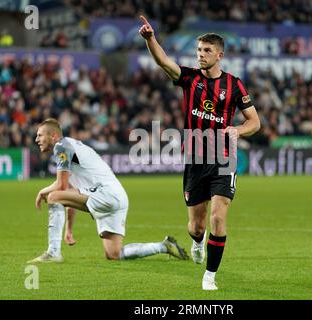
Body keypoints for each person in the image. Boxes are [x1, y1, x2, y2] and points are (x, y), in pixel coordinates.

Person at [139, 16, 261, 290]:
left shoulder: (234, 85)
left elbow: (255, 122)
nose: (200, 55)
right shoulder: (190, 79)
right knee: (196, 225)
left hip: (223, 158)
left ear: (220, 55)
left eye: (206, 51)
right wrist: (150, 39)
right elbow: (163, 62)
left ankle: (210, 276)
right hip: (194, 158)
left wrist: (237, 131)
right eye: (198, 50)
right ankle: (197, 242)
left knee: (218, 216)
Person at [27, 118, 188, 263]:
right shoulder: (71, 146)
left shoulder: (62, 147)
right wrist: (69, 229)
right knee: (114, 254)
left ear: (54, 136)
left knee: (53, 196)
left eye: (40, 135)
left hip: (104, 194)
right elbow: (70, 192)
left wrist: (42, 191)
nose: (37, 139)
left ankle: (53, 253)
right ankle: (164, 246)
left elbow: (61, 188)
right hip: (117, 196)